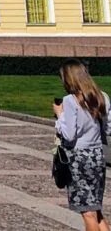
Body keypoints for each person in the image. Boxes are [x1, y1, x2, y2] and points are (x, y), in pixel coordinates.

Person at [54, 59, 111, 231]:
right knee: (95, 209)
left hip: (78, 158)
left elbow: (69, 135)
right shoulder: (103, 96)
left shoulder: (70, 101)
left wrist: (59, 116)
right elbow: (109, 128)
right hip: (96, 157)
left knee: (87, 213)